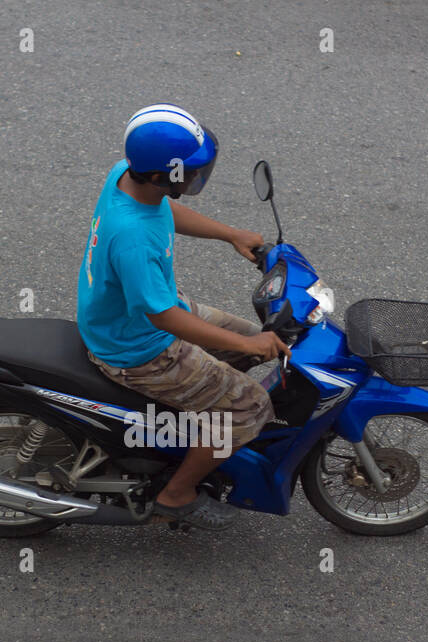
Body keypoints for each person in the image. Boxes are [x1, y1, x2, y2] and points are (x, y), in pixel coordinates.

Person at [76, 104, 290, 530]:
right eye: (190, 172)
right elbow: (163, 317)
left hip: (138, 314)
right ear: (161, 175)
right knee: (249, 405)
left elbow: (166, 211)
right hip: (142, 348)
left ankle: (186, 433)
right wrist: (248, 346)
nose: (196, 178)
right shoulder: (132, 237)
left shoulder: (128, 174)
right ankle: (175, 495)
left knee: (256, 340)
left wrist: (230, 234)